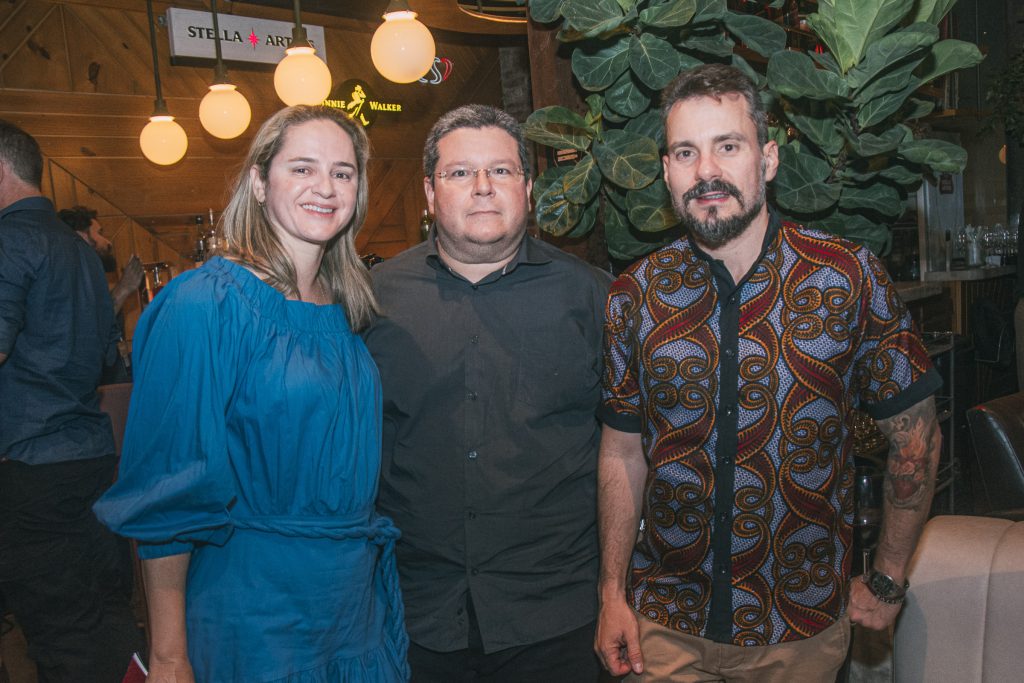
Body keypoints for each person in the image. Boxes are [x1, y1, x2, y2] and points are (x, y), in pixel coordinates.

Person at [595, 64, 944, 682]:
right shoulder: (634, 295)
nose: (707, 171)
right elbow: (623, 453)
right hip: (665, 624)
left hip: (800, 628)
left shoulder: (847, 277)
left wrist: (888, 578)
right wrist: (612, 593)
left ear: (769, 159)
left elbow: (914, 437)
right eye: (685, 152)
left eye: (728, 146)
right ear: (667, 172)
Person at [93, 105, 409, 682]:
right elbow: (167, 494)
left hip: (351, 610)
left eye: (343, 172)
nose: (325, 187)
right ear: (260, 182)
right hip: (254, 614)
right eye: (303, 168)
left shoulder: (343, 311)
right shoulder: (204, 303)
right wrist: (169, 658)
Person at [363, 104, 611, 681]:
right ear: (429, 193)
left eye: (500, 172)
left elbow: (627, 450)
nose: (481, 188)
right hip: (414, 613)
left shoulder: (594, 299)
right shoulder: (370, 302)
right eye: (458, 173)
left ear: (527, 187)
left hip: (556, 617)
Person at [0, 119, 143, 681]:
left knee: (62, 639)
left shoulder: (10, 239)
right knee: (107, 622)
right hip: (89, 461)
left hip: (32, 468)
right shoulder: (80, 250)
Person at [57, 205, 144, 317]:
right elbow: (92, 323)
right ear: (82, 237)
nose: (108, 243)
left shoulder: (86, 275)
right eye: (99, 233)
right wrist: (124, 287)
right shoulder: (67, 278)